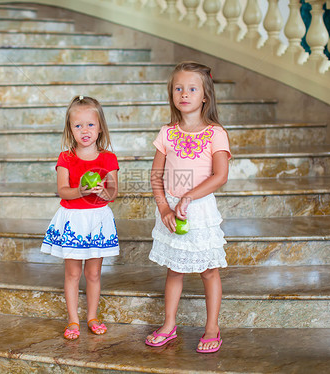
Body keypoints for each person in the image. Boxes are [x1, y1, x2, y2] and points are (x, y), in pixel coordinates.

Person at [145, 62, 231, 353]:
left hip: (200, 209)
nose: (184, 93)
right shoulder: (167, 133)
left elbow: (220, 176)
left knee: (209, 271)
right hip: (171, 210)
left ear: (204, 95)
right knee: (174, 269)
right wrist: (164, 210)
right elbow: (157, 176)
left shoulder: (215, 133)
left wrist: (188, 198)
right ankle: (169, 325)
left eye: (192, 88)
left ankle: (212, 328)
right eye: (178, 88)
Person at [41, 95, 119, 340]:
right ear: (70, 129)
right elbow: (63, 190)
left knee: (94, 274)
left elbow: (113, 191)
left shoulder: (108, 158)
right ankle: (73, 319)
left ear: (100, 127)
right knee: (73, 274)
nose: (84, 130)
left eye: (90, 124)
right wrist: (81, 192)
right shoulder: (66, 158)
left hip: (97, 220)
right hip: (73, 220)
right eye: (78, 125)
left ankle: (92, 316)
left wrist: (103, 192)